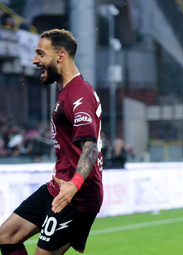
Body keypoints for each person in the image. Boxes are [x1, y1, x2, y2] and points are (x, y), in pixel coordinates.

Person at [0, 29, 103, 255]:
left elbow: (91, 147)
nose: (35, 60)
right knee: (6, 236)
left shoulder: (79, 95)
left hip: (77, 193)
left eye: (40, 53)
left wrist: (74, 185)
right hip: (59, 185)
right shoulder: (68, 91)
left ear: (61, 56)